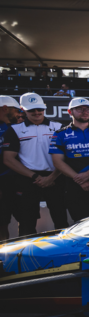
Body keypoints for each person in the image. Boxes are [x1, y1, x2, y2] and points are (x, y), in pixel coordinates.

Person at [3, 93, 68, 235]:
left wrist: (52, 177)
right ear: (23, 110)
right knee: (27, 221)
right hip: (28, 179)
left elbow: (67, 156)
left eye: (40, 109)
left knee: (61, 218)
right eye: (32, 110)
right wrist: (34, 177)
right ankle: (25, 254)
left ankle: (66, 254)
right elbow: (8, 159)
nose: (37, 113)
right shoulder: (14, 129)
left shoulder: (59, 127)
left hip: (56, 177)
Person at [49, 98, 89, 222]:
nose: (85, 111)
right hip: (74, 184)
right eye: (79, 109)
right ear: (70, 112)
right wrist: (80, 180)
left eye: (88, 109)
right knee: (80, 223)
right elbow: (57, 162)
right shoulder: (60, 134)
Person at [0, 96, 22, 240]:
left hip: (20, 181)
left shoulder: (18, 128)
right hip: (3, 183)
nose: (18, 114)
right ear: (6, 109)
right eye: (16, 111)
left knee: (26, 220)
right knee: (1, 223)